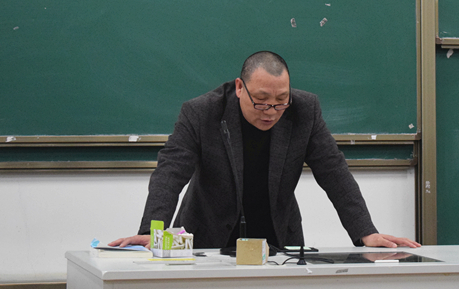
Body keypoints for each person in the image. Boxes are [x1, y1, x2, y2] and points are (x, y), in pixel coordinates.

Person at [110, 51, 419, 250]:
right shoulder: (202, 112)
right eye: (261, 101)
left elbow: (334, 172)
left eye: (281, 101)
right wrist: (152, 230)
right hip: (208, 239)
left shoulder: (305, 110)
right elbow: (170, 171)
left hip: (277, 241)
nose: (271, 111)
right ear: (239, 88)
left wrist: (366, 232)